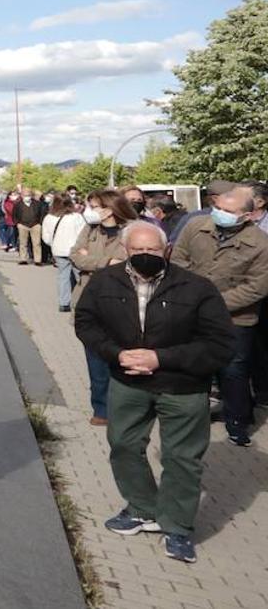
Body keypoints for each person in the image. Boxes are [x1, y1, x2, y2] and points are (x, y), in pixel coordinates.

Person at [75, 221, 235, 564]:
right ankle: (142, 508)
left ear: (167, 251)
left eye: (152, 250)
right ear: (125, 251)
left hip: (182, 387)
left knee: (181, 459)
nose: (145, 256)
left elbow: (220, 345)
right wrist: (115, 353)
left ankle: (177, 526)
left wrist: (160, 358)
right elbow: (86, 323)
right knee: (124, 446)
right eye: (137, 250)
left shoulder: (197, 288)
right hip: (128, 382)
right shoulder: (105, 282)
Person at [171, 184, 268, 447]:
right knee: (194, 365)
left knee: (233, 370)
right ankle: (192, 417)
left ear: (247, 216)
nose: (220, 213)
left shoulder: (260, 243)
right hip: (193, 313)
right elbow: (178, 260)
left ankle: (237, 422)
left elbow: (257, 286)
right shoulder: (196, 226)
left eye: (228, 211)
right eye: (218, 208)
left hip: (236, 319)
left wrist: (215, 303)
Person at [71, 189, 138, 425]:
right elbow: (75, 255)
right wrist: (104, 261)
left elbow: (123, 264)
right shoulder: (90, 229)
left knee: (120, 359)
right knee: (95, 361)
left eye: (94, 206)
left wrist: (91, 260)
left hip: (122, 303)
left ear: (109, 209)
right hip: (89, 302)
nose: (89, 211)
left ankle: (126, 408)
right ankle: (101, 410)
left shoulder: (132, 231)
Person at [42, 194, 86, 312]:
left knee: (63, 276)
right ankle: (82, 301)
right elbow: (83, 234)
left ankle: (64, 303)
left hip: (58, 250)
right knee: (80, 277)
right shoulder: (76, 217)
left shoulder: (49, 218)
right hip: (75, 251)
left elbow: (46, 237)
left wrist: (54, 244)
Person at [15, 187, 45, 266]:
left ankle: (37, 260)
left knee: (37, 243)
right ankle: (23, 259)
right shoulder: (18, 204)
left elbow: (42, 214)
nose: (27, 197)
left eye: (28, 195)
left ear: (31, 195)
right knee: (23, 243)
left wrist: (39, 223)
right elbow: (14, 215)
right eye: (25, 195)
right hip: (23, 225)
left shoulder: (37, 204)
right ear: (22, 195)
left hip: (35, 225)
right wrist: (18, 223)